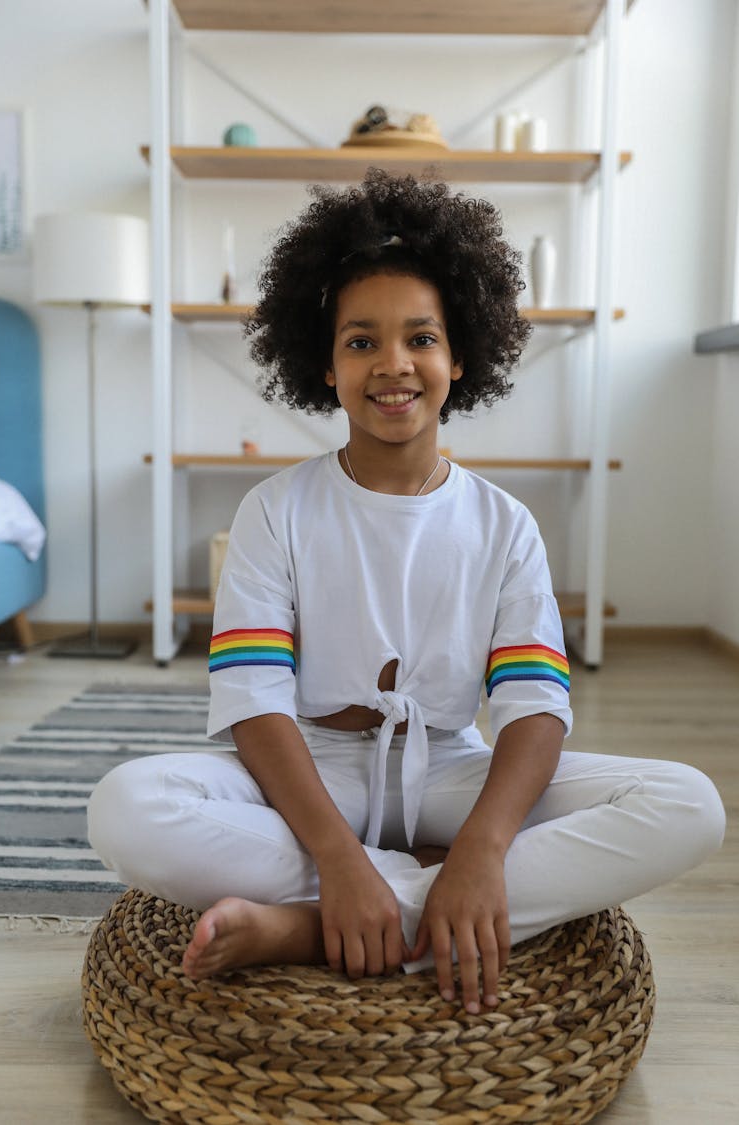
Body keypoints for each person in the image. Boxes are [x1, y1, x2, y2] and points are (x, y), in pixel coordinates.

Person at [88, 169, 725, 1015]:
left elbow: (535, 705)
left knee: (689, 803)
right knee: (123, 809)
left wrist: (484, 848)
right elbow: (253, 699)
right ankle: (392, 893)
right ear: (324, 362)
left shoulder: (505, 525)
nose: (394, 365)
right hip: (314, 772)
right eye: (361, 341)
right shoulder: (275, 510)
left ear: (460, 357)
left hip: (448, 774)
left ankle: (315, 927)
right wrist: (341, 855)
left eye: (420, 338)